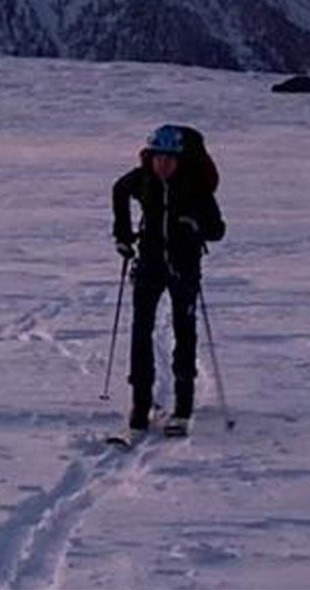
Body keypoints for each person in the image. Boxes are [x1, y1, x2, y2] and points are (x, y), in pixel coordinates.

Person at [111, 123, 225, 435]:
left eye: (169, 158)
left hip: (184, 267)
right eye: (158, 158)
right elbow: (119, 190)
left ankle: (184, 404)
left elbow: (217, 229)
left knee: (183, 330)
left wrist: (194, 226)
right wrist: (122, 236)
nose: (163, 164)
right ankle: (140, 402)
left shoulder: (194, 187)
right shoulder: (143, 180)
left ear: (179, 160)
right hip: (149, 263)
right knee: (140, 331)